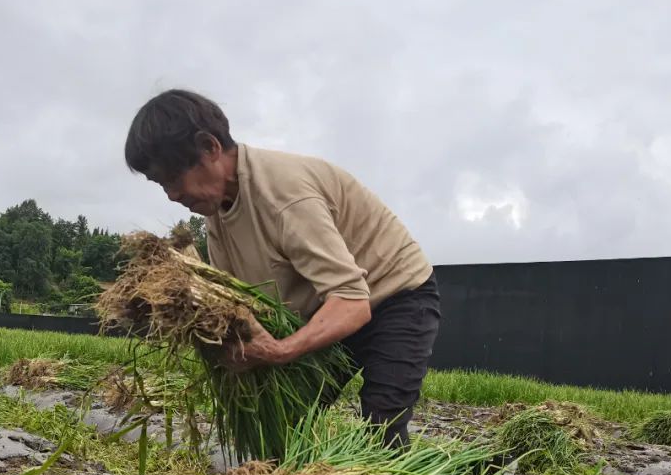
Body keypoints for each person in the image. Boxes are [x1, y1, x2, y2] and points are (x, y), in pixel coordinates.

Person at [124, 89, 440, 447]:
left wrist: (281, 350)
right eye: (160, 185)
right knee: (284, 420)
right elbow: (241, 302)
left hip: (395, 295)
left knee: (382, 428)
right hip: (325, 306)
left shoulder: (285, 196)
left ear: (209, 148)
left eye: (172, 179)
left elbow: (352, 302)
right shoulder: (217, 210)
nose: (171, 195)